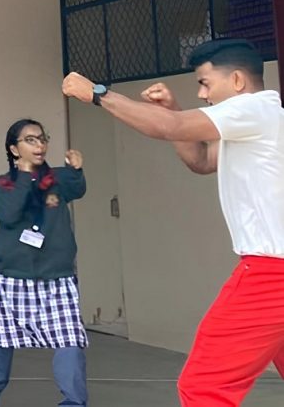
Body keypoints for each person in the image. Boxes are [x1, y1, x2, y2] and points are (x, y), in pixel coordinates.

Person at [62, 38, 284, 407]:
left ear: (239, 82)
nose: (203, 93)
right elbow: (200, 160)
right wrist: (174, 109)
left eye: (205, 83)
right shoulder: (256, 120)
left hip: (270, 274)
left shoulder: (252, 110)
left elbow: (170, 128)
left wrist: (97, 93)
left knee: (203, 387)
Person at [0, 119, 88, 406]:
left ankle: (73, 403)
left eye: (42, 138)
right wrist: (24, 176)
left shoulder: (56, 179)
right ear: (14, 149)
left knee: (70, 347)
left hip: (56, 278)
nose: (40, 145)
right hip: (10, 278)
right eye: (31, 140)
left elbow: (78, 188)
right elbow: (9, 213)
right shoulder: (3, 184)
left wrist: (76, 168)